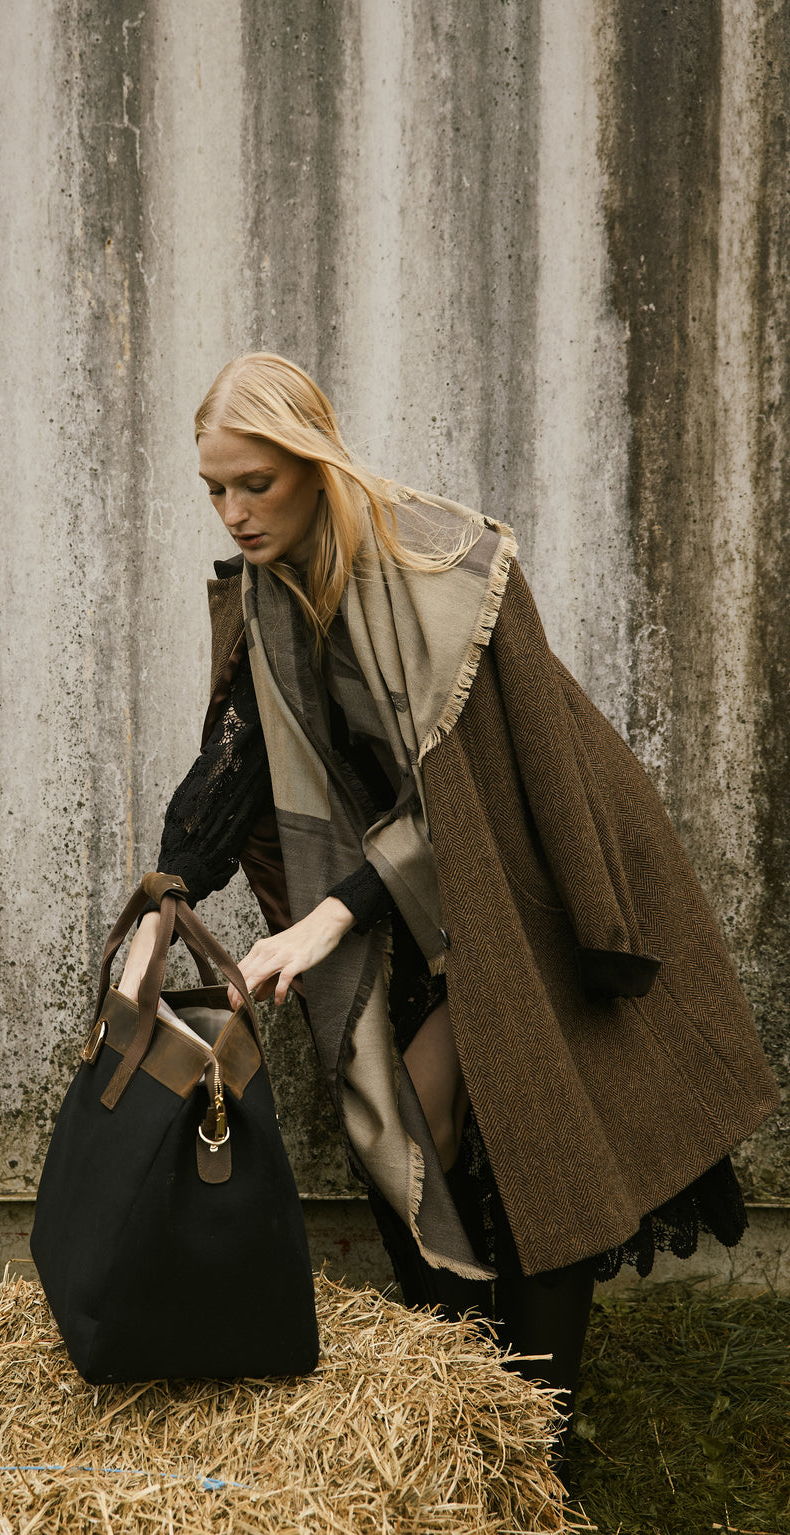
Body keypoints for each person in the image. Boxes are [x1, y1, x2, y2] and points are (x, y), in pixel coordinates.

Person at [119, 352, 778, 1481]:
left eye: (255, 484)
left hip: (532, 882)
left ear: (314, 463)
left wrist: (325, 918)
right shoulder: (271, 593)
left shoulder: (439, 570)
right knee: (410, 1136)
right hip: (415, 900)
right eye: (214, 489)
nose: (233, 513)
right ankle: (469, 1413)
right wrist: (164, 898)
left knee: (537, 1149)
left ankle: (535, 1456)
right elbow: (231, 754)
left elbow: (475, 806)